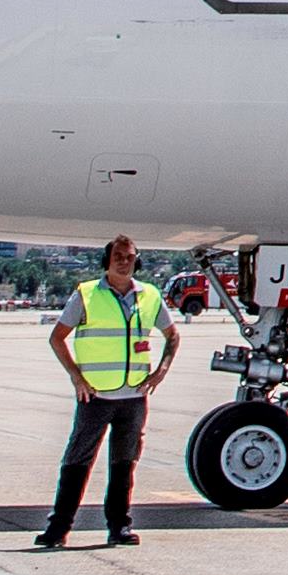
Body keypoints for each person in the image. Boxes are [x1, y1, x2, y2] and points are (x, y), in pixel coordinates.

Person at [38, 234, 175, 546]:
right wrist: (76, 377)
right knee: (77, 462)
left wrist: (160, 372)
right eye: (118, 256)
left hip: (134, 398)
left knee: (124, 464)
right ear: (106, 260)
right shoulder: (87, 294)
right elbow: (57, 338)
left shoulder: (150, 296)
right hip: (96, 397)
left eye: (129, 257)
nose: (123, 261)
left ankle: (119, 527)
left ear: (136, 261)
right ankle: (58, 529)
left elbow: (172, 336)